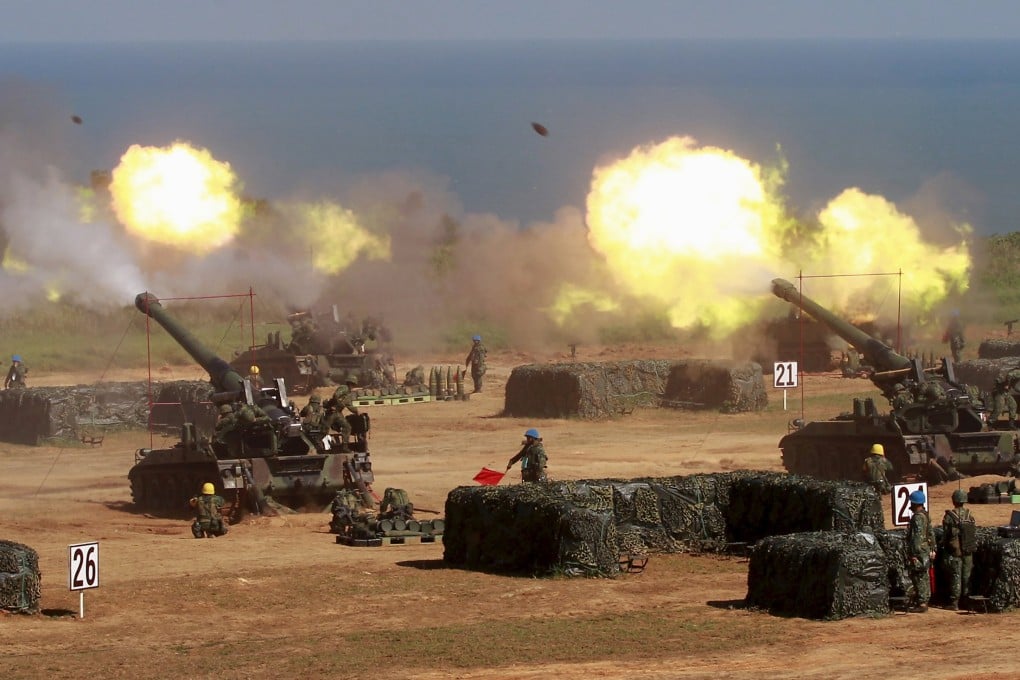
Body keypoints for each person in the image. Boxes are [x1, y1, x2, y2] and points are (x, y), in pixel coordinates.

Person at [941, 488, 976, 611]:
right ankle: (967, 601)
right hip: (968, 550)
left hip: (955, 552)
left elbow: (946, 534)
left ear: (954, 500)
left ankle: (954, 602)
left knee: (956, 576)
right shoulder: (969, 515)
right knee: (967, 576)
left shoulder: (950, 516)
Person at [905, 489, 936, 613]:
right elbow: (931, 534)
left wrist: (913, 554)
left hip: (919, 552)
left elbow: (916, 537)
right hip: (925, 550)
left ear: (914, 503)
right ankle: (924, 600)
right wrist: (933, 548)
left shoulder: (917, 518)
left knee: (918, 576)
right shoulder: (925, 515)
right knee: (924, 575)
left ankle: (922, 603)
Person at [324, 378, 360, 451]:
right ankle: (322, 446)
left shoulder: (348, 394)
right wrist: (336, 403)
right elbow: (336, 395)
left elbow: (349, 406)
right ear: (350, 383)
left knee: (347, 427)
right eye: (352, 385)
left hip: (338, 413)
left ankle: (345, 446)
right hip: (330, 412)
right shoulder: (344, 388)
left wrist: (356, 412)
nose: (353, 387)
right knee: (324, 429)